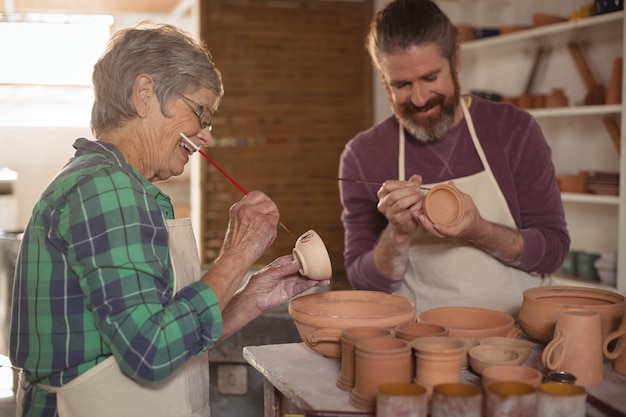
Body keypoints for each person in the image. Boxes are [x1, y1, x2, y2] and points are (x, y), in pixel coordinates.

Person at [9, 22, 328, 417]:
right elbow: (152, 351)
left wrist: (252, 295)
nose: (206, 135)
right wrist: (239, 254)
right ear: (144, 95)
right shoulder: (106, 188)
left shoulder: (117, 185)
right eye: (200, 113)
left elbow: (168, 332)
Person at [339, 0, 569, 314]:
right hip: (419, 340)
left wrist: (480, 230)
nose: (419, 99)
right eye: (402, 85)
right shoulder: (363, 154)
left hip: (515, 338)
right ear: (384, 80)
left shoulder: (514, 129)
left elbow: (553, 251)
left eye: (431, 78)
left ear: (456, 59)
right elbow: (365, 285)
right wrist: (397, 234)